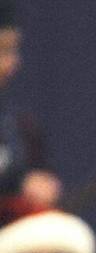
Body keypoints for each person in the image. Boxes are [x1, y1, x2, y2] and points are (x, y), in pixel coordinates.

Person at [0, 1, 61, 222]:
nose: (11, 64)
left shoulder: (20, 128)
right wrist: (17, 183)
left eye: (12, 50)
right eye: (2, 50)